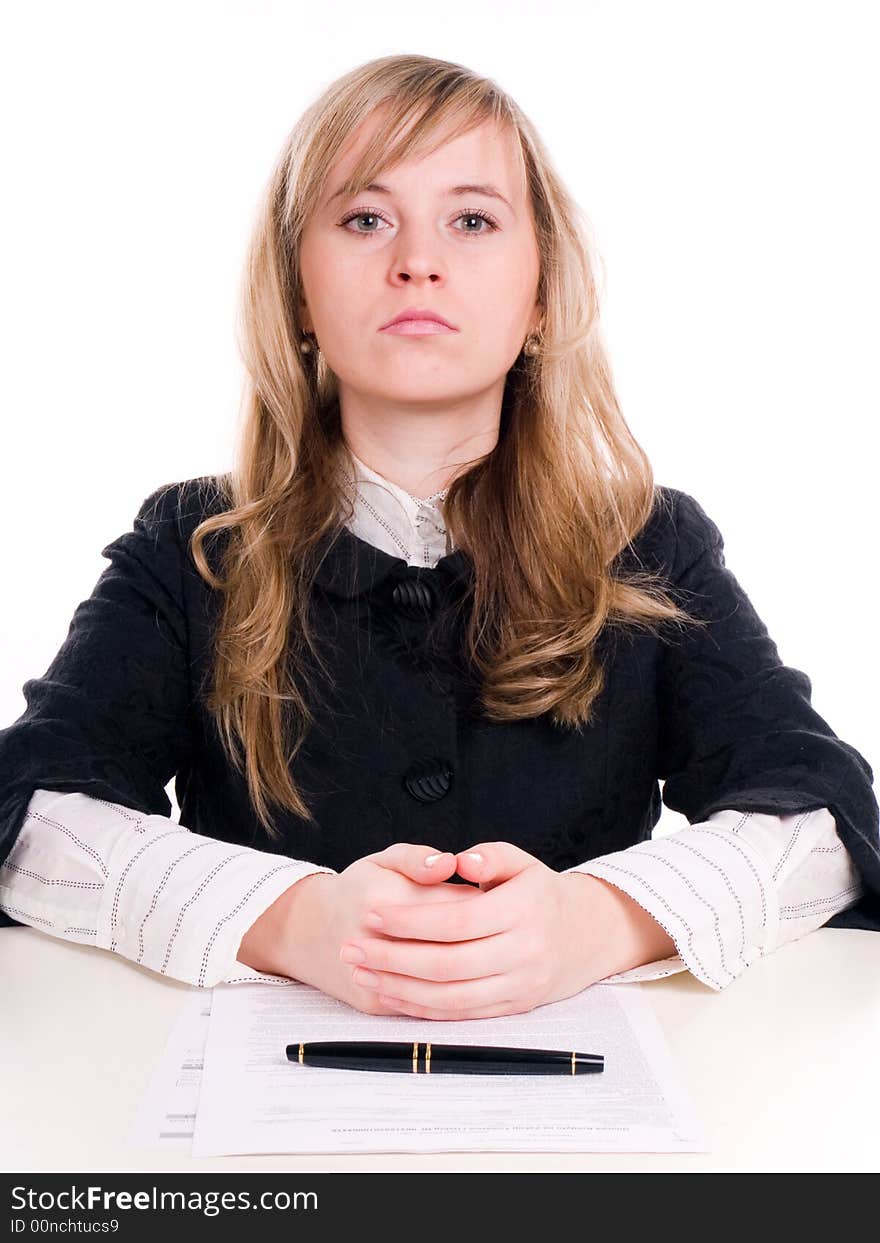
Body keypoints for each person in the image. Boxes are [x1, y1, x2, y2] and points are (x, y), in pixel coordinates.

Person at [1, 54, 877, 1023]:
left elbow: (822, 815)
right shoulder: (191, 545)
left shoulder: (646, 542)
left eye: (471, 220)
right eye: (365, 218)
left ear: (541, 295)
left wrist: (598, 921)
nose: (416, 260)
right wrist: (291, 920)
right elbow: (30, 815)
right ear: (297, 291)